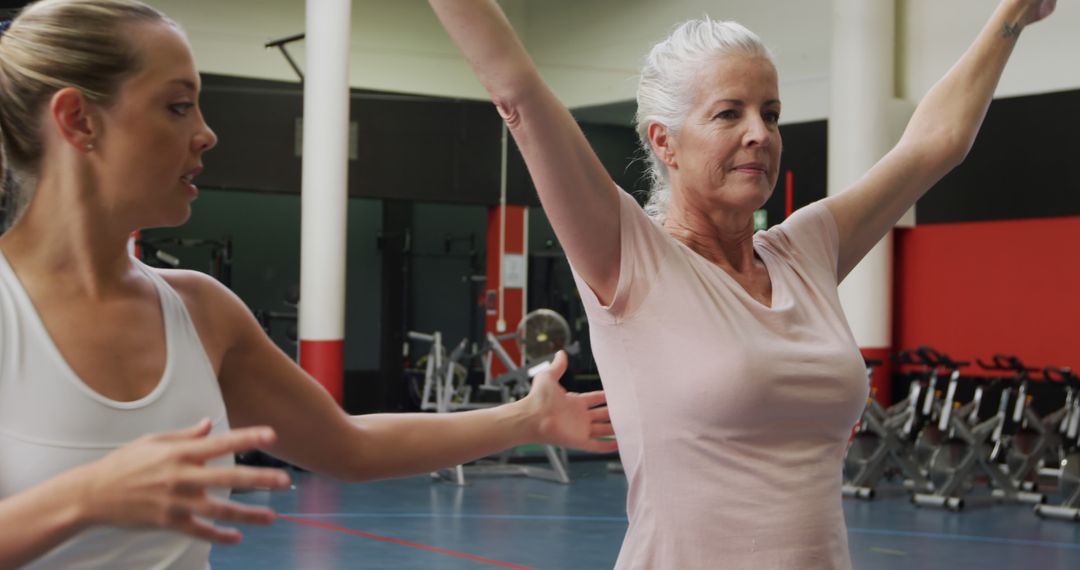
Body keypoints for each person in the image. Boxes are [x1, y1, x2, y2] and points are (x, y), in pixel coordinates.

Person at [427, 0, 1056, 567]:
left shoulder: (805, 250)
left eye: (772, 114)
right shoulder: (630, 258)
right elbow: (518, 93)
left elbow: (934, 144)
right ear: (664, 142)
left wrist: (1013, 14)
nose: (760, 132)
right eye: (729, 113)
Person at [0, 1, 618, 568]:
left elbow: (348, 445)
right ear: (79, 120)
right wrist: (86, 496)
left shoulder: (201, 311)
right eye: (178, 105)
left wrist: (527, 417)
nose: (207, 133)